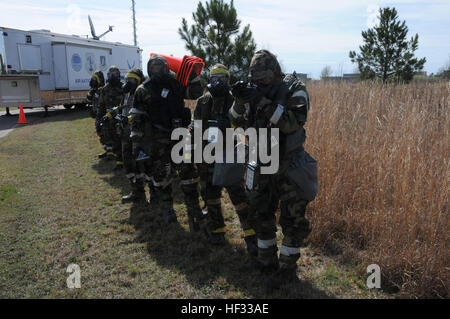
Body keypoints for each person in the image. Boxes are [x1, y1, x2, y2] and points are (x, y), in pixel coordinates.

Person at [229, 50, 318, 290]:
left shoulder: (293, 88)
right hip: (260, 160)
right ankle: (265, 261)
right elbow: (234, 120)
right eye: (255, 78)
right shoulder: (251, 89)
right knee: (260, 213)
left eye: (264, 78)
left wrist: (262, 101)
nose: (259, 83)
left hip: (288, 163)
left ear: (275, 72)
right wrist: (239, 99)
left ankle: (287, 270)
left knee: (293, 219)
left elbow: (292, 122)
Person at [193, 64, 257, 255]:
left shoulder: (234, 100)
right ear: (209, 80)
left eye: (221, 78)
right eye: (214, 78)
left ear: (228, 80)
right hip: (206, 155)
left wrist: (229, 126)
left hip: (230, 154)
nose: (217, 82)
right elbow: (195, 126)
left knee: (239, 198)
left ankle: (251, 235)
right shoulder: (203, 101)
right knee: (210, 196)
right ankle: (217, 231)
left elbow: (245, 126)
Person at [130, 54, 196, 224]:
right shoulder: (143, 90)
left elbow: (194, 92)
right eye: (154, 67)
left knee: (188, 172)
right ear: (149, 69)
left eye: (161, 67)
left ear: (167, 68)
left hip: (180, 135)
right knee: (162, 176)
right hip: (158, 139)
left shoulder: (175, 84)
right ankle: (168, 209)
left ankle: (194, 208)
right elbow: (137, 117)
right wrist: (138, 145)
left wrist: (194, 75)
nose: (157, 71)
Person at [107, 68, 147, 204]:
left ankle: (148, 194)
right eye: (127, 80)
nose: (129, 82)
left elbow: (143, 112)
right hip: (125, 134)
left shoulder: (142, 94)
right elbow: (121, 107)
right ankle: (136, 192)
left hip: (138, 134)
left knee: (140, 165)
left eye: (132, 80)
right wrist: (110, 115)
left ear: (139, 81)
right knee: (128, 163)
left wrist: (128, 119)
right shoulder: (126, 94)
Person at [98, 66, 125, 170]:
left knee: (120, 138)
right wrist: (100, 117)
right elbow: (101, 104)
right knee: (108, 136)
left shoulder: (123, 88)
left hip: (120, 117)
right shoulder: (105, 89)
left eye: (115, 74)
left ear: (118, 75)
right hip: (108, 118)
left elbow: (126, 104)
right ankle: (111, 153)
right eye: (111, 74)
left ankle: (120, 161)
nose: (113, 76)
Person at [87, 70, 110, 159]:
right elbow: (88, 100)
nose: (93, 81)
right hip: (97, 115)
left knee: (106, 133)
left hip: (104, 115)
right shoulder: (94, 90)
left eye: (94, 79)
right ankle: (107, 150)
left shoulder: (104, 89)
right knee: (100, 133)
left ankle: (111, 151)